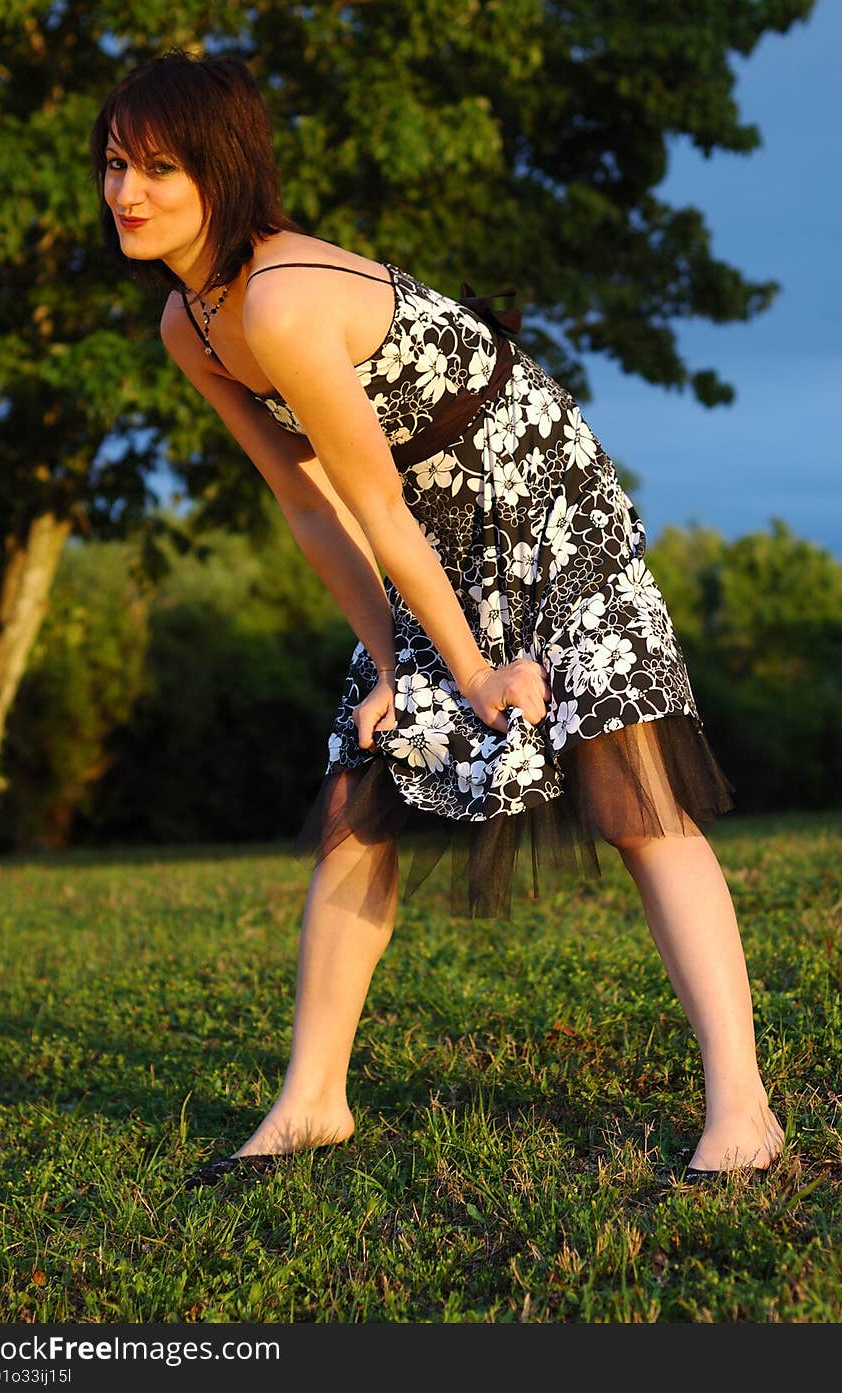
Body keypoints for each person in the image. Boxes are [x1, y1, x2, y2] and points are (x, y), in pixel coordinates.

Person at [91, 49, 784, 1187]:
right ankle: (314, 1101)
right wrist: (392, 666)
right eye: (116, 164)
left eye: (160, 167)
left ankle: (743, 1112)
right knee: (357, 788)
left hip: (538, 495)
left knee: (627, 791)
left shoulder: (279, 299)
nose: (128, 192)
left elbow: (368, 497)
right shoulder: (192, 323)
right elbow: (312, 509)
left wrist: (467, 674)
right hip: (430, 528)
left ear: (223, 172)